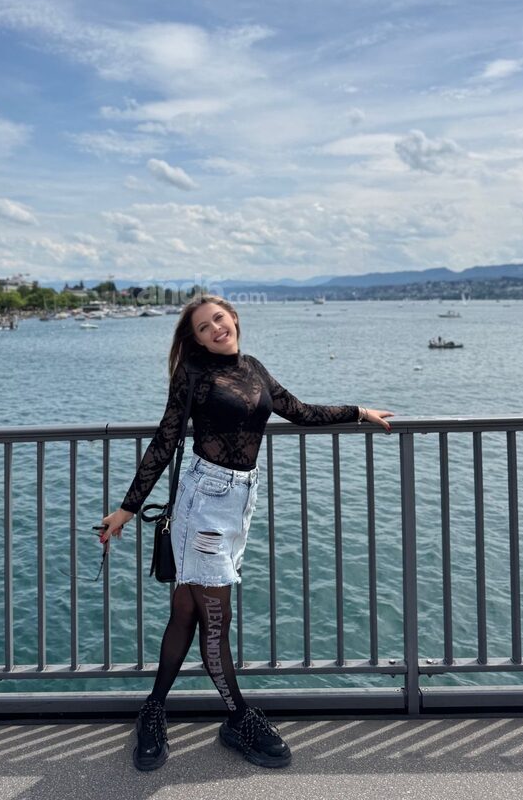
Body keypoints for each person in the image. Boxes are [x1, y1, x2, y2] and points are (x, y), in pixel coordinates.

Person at [99, 295, 393, 771]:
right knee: (217, 617)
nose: (215, 328)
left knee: (187, 611)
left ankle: (152, 710)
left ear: (234, 319)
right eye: (203, 327)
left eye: (219, 318)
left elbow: (300, 410)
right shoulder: (194, 374)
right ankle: (239, 717)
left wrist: (359, 411)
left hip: (239, 502)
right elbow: (166, 439)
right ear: (196, 340)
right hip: (203, 502)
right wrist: (128, 508)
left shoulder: (253, 368)